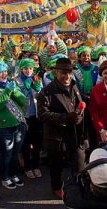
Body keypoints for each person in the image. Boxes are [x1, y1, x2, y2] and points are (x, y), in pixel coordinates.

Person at [36, 56, 89, 199]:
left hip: (75, 133)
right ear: (56, 73)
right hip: (56, 136)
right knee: (56, 165)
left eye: (69, 73)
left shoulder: (74, 86)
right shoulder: (46, 91)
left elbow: (79, 104)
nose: (67, 76)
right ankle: (57, 187)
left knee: (79, 161)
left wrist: (79, 115)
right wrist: (65, 117)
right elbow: (42, 115)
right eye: (63, 73)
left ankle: (78, 185)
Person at [0, 60, 28, 190]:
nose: (4, 74)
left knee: (16, 153)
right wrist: (7, 91)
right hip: (4, 127)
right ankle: (5, 177)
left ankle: (14, 174)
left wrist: (14, 90)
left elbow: (23, 101)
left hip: (18, 123)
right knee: (6, 154)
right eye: (0, 72)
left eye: (5, 71)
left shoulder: (11, 84)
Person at [14, 58, 44, 179]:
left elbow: (40, 95)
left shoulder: (36, 79)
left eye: (31, 68)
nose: (28, 71)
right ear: (21, 69)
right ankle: (27, 167)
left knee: (37, 142)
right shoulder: (16, 81)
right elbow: (16, 98)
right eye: (26, 68)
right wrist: (25, 89)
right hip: (23, 116)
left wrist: (38, 88)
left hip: (35, 115)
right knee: (26, 143)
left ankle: (36, 166)